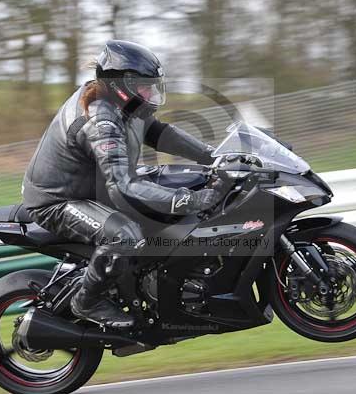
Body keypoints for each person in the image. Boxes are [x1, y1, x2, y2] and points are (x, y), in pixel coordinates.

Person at [21, 40, 221, 328]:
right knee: (124, 236)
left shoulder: (127, 105)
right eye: (144, 85)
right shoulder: (100, 119)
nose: (150, 92)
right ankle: (86, 302)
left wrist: (212, 155)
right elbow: (122, 185)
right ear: (120, 83)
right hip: (58, 200)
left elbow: (161, 132)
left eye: (153, 85)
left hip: (95, 186)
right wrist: (187, 199)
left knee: (181, 182)